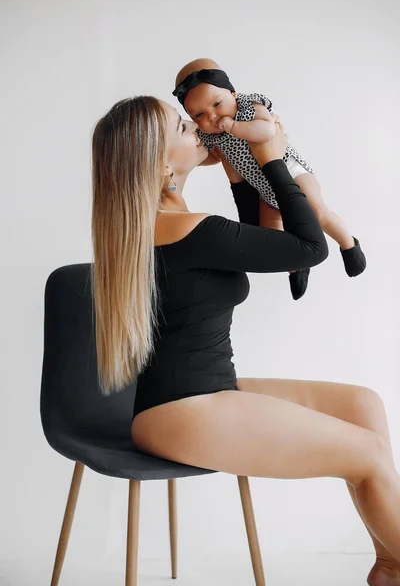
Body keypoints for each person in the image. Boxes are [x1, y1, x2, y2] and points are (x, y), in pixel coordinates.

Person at [91, 96, 400, 584]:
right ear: (159, 161)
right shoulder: (189, 229)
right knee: (370, 455)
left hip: (201, 393)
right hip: (184, 410)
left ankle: (389, 564)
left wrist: (243, 166)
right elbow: (309, 248)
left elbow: (256, 234)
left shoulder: (165, 226)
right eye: (182, 125)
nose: (198, 125)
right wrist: (270, 155)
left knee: (364, 405)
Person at [172, 58, 367, 301]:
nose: (212, 116)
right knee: (270, 236)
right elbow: (214, 156)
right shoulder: (211, 134)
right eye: (200, 114)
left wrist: (233, 126)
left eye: (217, 103)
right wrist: (199, 160)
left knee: (317, 213)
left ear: (232, 93)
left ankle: (349, 244)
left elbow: (268, 131)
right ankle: (296, 267)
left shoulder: (247, 106)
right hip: (264, 187)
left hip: (291, 172)